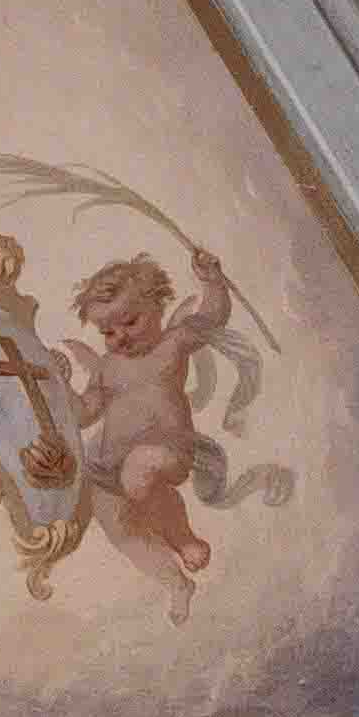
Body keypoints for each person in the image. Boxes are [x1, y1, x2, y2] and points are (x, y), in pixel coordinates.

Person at [67, 249, 238, 621]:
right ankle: (175, 583)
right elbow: (84, 413)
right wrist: (60, 388)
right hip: (109, 467)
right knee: (121, 531)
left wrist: (212, 280)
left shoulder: (173, 343)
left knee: (140, 469)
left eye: (130, 321)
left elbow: (213, 317)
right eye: (108, 332)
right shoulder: (107, 367)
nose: (120, 337)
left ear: (157, 305)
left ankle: (183, 538)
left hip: (167, 450)